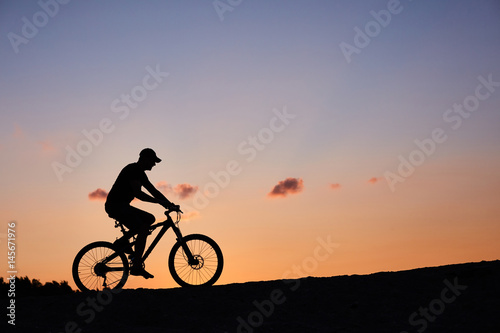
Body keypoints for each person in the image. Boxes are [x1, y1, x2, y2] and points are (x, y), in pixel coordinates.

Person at [105, 148, 177, 279]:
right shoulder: (133, 169)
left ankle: (122, 243)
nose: (154, 164)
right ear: (145, 159)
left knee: (149, 218)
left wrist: (169, 203)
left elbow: (153, 191)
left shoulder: (141, 174)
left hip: (121, 206)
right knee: (142, 227)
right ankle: (137, 265)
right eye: (153, 161)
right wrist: (160, 202)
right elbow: (138, 194)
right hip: (115, 206)